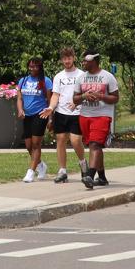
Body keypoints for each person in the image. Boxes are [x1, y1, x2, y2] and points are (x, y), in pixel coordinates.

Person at [73, 52, 118, 189]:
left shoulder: (108, 77)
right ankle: (102, 178)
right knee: (95, 147)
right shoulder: (81, 78)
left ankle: (90, 176)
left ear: (94, 61)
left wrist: (101, 96)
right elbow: (75, 99)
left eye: (85, 61)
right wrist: (84, 96)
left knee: (94, 145)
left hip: (102, 116)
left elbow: (115, 98)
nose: (83, 63)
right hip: (85, 116)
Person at [46, 46, 88, 184]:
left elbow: (86, 94)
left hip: (77, 113)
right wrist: (51, 107)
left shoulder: (82, 75)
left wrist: (77, 102)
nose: (67, 61)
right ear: (61, 60)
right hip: (61, 112)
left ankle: (83, 164)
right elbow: (55, 95)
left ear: (73, 58)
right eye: (64, 58)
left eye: (69, 58)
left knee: (75, 141)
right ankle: (62, 171)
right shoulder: (59, 76)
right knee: (61, 140)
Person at [16, 56, 53, 182]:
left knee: (36, 144)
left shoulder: (45, 81)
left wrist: (50, 118)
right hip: (27, 116)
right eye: (31, 66)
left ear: (40, 67)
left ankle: (30, 172)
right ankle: (41, 165)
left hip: (41, 114)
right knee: (28, 146)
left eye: (36, 66)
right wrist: (20, 110)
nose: (33, 68)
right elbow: (19, 98)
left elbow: (50, 100)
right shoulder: (23, 80)